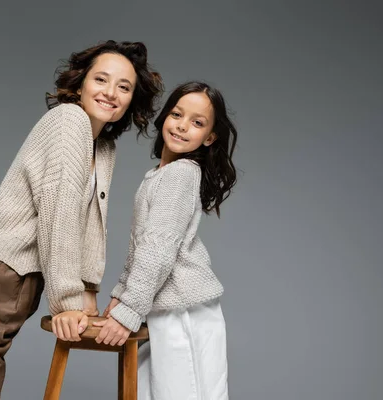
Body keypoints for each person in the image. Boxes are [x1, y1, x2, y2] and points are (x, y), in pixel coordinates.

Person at [0, 40, 163, 400]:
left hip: (8, 290)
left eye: (124, 86)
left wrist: (87, 290)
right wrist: (68, 301)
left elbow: (89, 223)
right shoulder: (69, 121)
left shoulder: (103, 146)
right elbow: (60, 214)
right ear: (81, 83)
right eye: (101, 79)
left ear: (133, 99)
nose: (111, 93)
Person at [94, 81, 238, 399]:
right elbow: (142, 247)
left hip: (184, 310)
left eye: (197, 123)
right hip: (165, 309)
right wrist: (121, 294)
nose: (182, 126)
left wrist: (129, 309)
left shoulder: (179, 175)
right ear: (165, 117)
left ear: (210, 137)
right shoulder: (159, 176)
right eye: (177, 114)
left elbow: (159, 249)